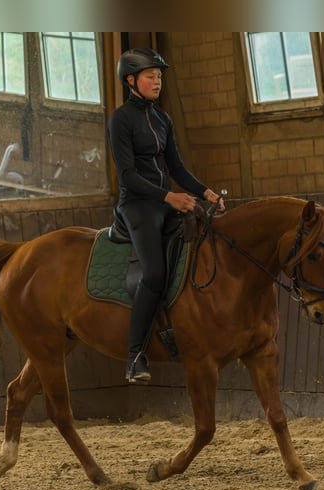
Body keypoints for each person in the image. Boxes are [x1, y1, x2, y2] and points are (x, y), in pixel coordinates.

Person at [107, 47, 224, 383]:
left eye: (159, 77)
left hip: (166, 202)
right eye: (150, 76)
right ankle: (134, 357)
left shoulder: (163, 119)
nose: (157, 82)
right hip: (137, 205)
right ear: (131, 80)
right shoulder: (120, 120)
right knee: (155, 273)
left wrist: (206, 192)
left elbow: (177, 168)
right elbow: (127, 175)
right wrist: (169, 196)